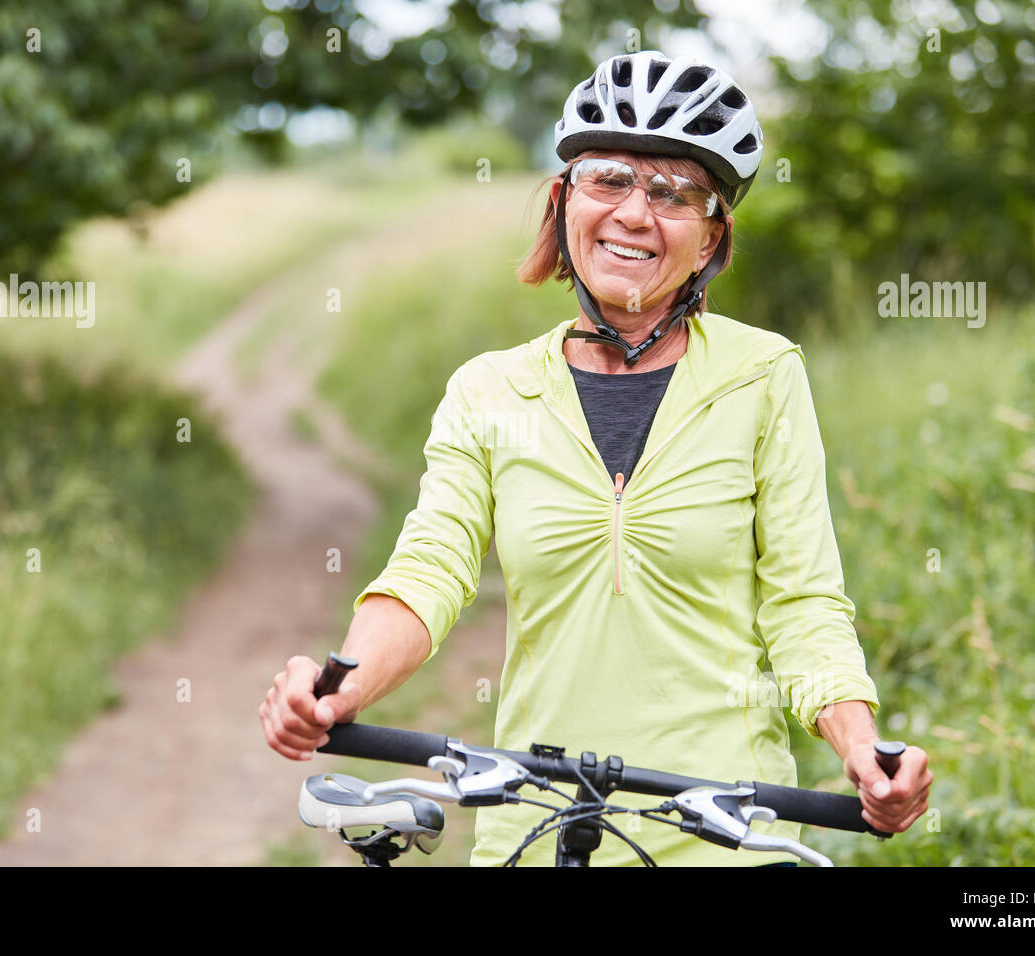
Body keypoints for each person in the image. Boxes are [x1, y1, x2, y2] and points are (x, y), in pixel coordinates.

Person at [261, 50, 931, 865]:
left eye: (675, 192)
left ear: (713, 234)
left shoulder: (763, 376)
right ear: (562, 201)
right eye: (609, 178)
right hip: (533, 822)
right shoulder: (490, 392)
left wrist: (861, 748)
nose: (636, 214)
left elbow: (803, 607)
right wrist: (342, 688)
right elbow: (428, 574)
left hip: (726, 830)